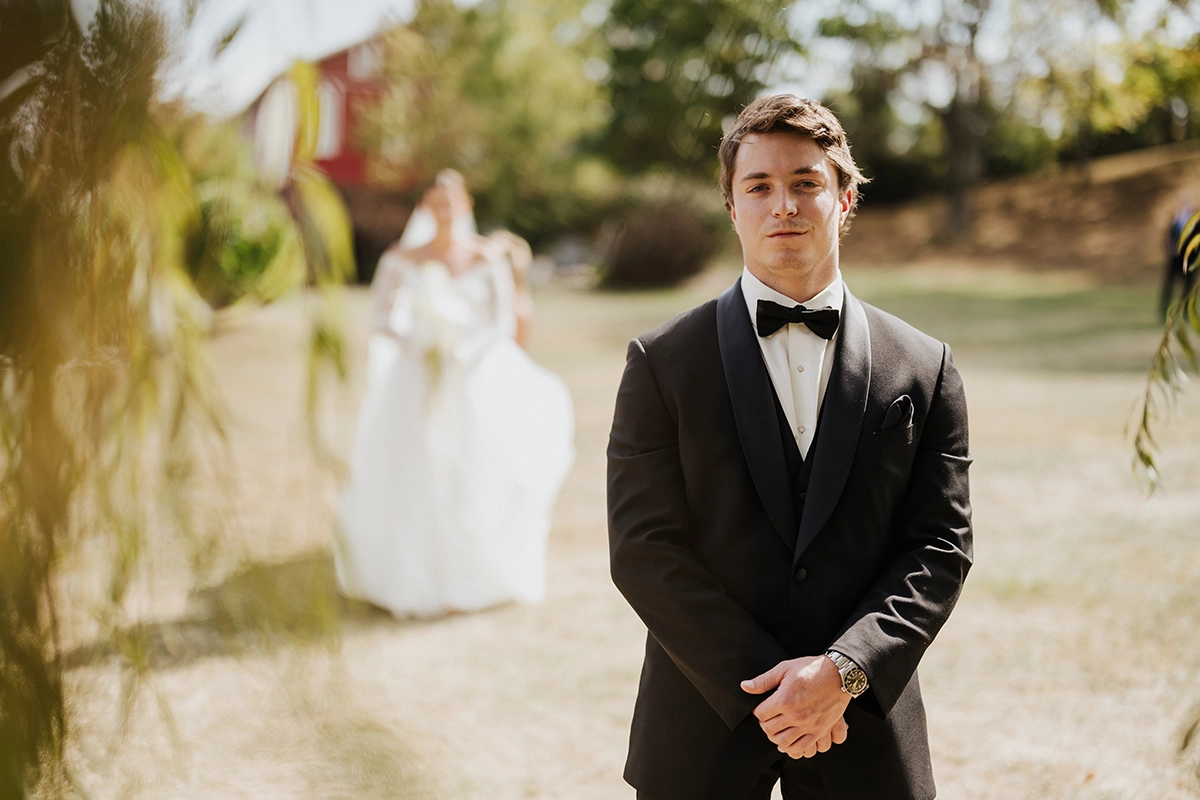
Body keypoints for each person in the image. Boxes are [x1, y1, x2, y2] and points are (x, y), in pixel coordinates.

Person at [607, 95, 973, 799]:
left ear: (845, 198)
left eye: (806, 182)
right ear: (731, 206)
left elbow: (940, 547)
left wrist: (842, 672)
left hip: (863, 728)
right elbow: (643, 549)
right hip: (701, 729)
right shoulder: (660, 363)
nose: (784, 205)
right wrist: (772, 692)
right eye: (759, 186)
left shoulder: (925, 367)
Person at [337, 170, 574, 617]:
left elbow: (502, 322)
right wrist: (417, 342)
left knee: (473, 468)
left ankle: (475, 569)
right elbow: (380, 319)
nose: (445, 210)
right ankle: (410, 570)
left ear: (466, 205)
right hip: (416, 376)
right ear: (425, 207)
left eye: (452, 202)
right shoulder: (400, 257)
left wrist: (463, 348)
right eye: (436, 202)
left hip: (473, 377)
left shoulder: (487, 257)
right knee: (414, 467)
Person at [1161, 195, 1198, 320]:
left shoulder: (1195, 223)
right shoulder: (1176, 220)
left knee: (1188, 286)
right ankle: (1164, 310)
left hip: (1189, 258)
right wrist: (1171, 247)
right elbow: (1168, 237)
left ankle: (1185, 312)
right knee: (1169, 284)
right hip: (1175, 258)